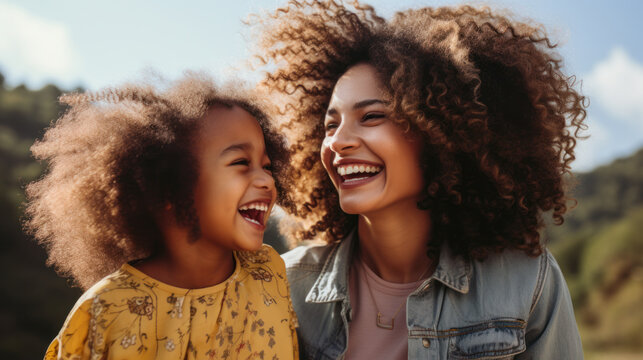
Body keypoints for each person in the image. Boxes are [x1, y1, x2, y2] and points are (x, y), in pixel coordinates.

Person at [253, 1, 586, 359]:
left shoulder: (525, 283)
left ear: (439, 132)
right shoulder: (285, 285)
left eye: (372, 116)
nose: (338, 141)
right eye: (331, 124)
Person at [25, 75, 298, 359]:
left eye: (266, 166)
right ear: (170, 186)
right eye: (241, 162)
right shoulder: (105, 310)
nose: (267, 180)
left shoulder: (268, 272)